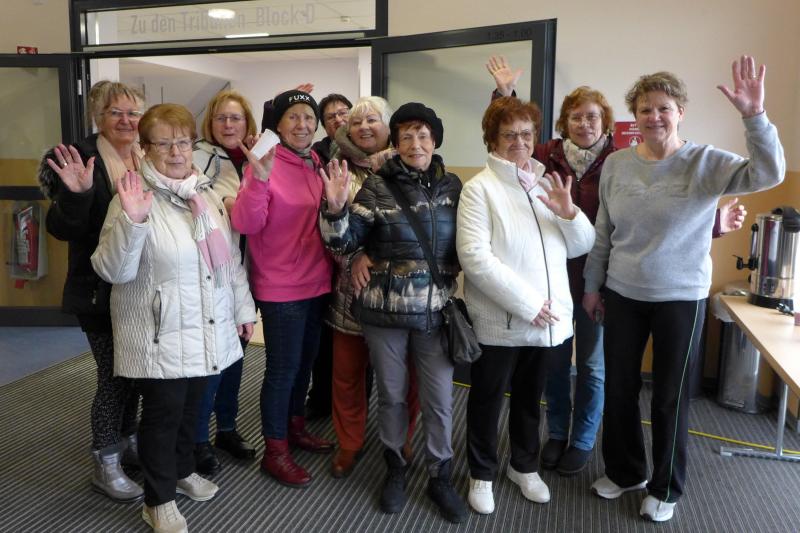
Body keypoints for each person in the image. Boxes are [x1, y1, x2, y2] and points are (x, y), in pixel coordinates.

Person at [487, 57, 749, 477]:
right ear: (564, 122)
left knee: (593, 366)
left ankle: (583, 439)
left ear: (606, 122)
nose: (584, 124)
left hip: (604, 279)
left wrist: (714, 224)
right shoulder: (547, 156)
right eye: (575, 117)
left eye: (592, 116)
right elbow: (509, 140)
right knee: (556, 364)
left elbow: (655, 217)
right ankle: (558, 433)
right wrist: (505, 95)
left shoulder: (618, 159)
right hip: (553, 278)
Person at [582, 55, 785, 523]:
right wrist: (593, 287)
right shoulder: (616, 165)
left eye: (664, 108)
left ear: (680, 113)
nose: (654, 116)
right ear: (635, 116)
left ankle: (666, 487)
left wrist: (754, 116)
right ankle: (625, 471)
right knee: (619, 388)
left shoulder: (706, 162)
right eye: (645, 109)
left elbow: (769, 173)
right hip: (623, 292)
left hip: (681, 298)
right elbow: (604, 232)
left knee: (669, 397)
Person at [90, 103, 256, 532]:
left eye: (183, 142)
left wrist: (242, 309)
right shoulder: (131, 198)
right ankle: (157, 499)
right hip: (159, 332)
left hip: (207, 326)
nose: (177, 152)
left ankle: (182, 471)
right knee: (163, 418)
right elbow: (112, 270)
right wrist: (133, 222)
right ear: (145, 149)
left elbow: (228, 263)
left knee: (192, 410)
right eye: (164, 144)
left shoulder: (204, 195)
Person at [320, 102, 468, 523]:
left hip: (434, 313)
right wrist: (335, 210)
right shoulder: (376, 186)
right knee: (392, 395)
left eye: (423, 135)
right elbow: (343, 242)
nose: (415, 144)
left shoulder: (452, 187)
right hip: (384, 313)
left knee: (439, 399)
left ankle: (440, 475)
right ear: (396, 143)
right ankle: (396, 468)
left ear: (435, 140)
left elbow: (469, 241)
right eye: (406, 137)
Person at [457, 96, 595, 515]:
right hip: (502, 320)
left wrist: (570, 214)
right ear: (492, 140)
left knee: (529, 399)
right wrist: (528, 303)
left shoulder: (543, 183)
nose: (519, 141)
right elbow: (475, 258)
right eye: (509, 135)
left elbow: (582, 246)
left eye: (526, 133)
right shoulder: (479, 189)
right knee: (487, 400)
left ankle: (524, 466)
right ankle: (481, 473)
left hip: (546, 323)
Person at [38, 80, 145, 503]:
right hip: (98, 289)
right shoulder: (78, 159)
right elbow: (61, 228)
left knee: (135, 372)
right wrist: (78, 195)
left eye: (132, 112)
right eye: (115, 112)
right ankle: (106, 462)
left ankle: (128, 441)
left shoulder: (146, 151)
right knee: (114, 378)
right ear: (98, 117)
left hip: (140, 285)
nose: (126, 120)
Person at [232, 90, 334, 488]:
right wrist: (258, 181)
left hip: (317, 282)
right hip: (281, 288)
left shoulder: (314, 161)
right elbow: (246, 223)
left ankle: (294, 427)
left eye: (308, 117)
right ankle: (274, 451)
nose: (302, 125)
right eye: (293, 117)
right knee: (282, 370)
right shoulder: (265, 161)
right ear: (278, 124)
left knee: (304, 364)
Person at [324, 96, 419, 478]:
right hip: (352, 293)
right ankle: (349, 442)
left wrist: (374, 253)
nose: (364, 127)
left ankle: (403, 438)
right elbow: (329, 232)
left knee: (405, 376)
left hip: (401, 296)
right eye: (356, 121)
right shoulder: (337, 168)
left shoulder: (411, 164)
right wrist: (355, 256)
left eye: (372, 120)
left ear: (388, 126)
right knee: (347, 375)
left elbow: (420, 228)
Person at [191, 89, 259, 475]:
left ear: (248, 123)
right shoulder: (199, 159)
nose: (228, 125)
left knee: (236, 356)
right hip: (216, 274)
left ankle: (227, 429)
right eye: (221, 118)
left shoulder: (254, 158)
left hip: (249, 272)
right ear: (210, 123)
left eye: (236, 118)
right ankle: (199, 438)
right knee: (211, 363)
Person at [314, 93, 353, 165]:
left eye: (342, 113)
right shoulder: (316, 153)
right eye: (330, 117)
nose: (338, 120)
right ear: (324, 126)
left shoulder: (366, 144)